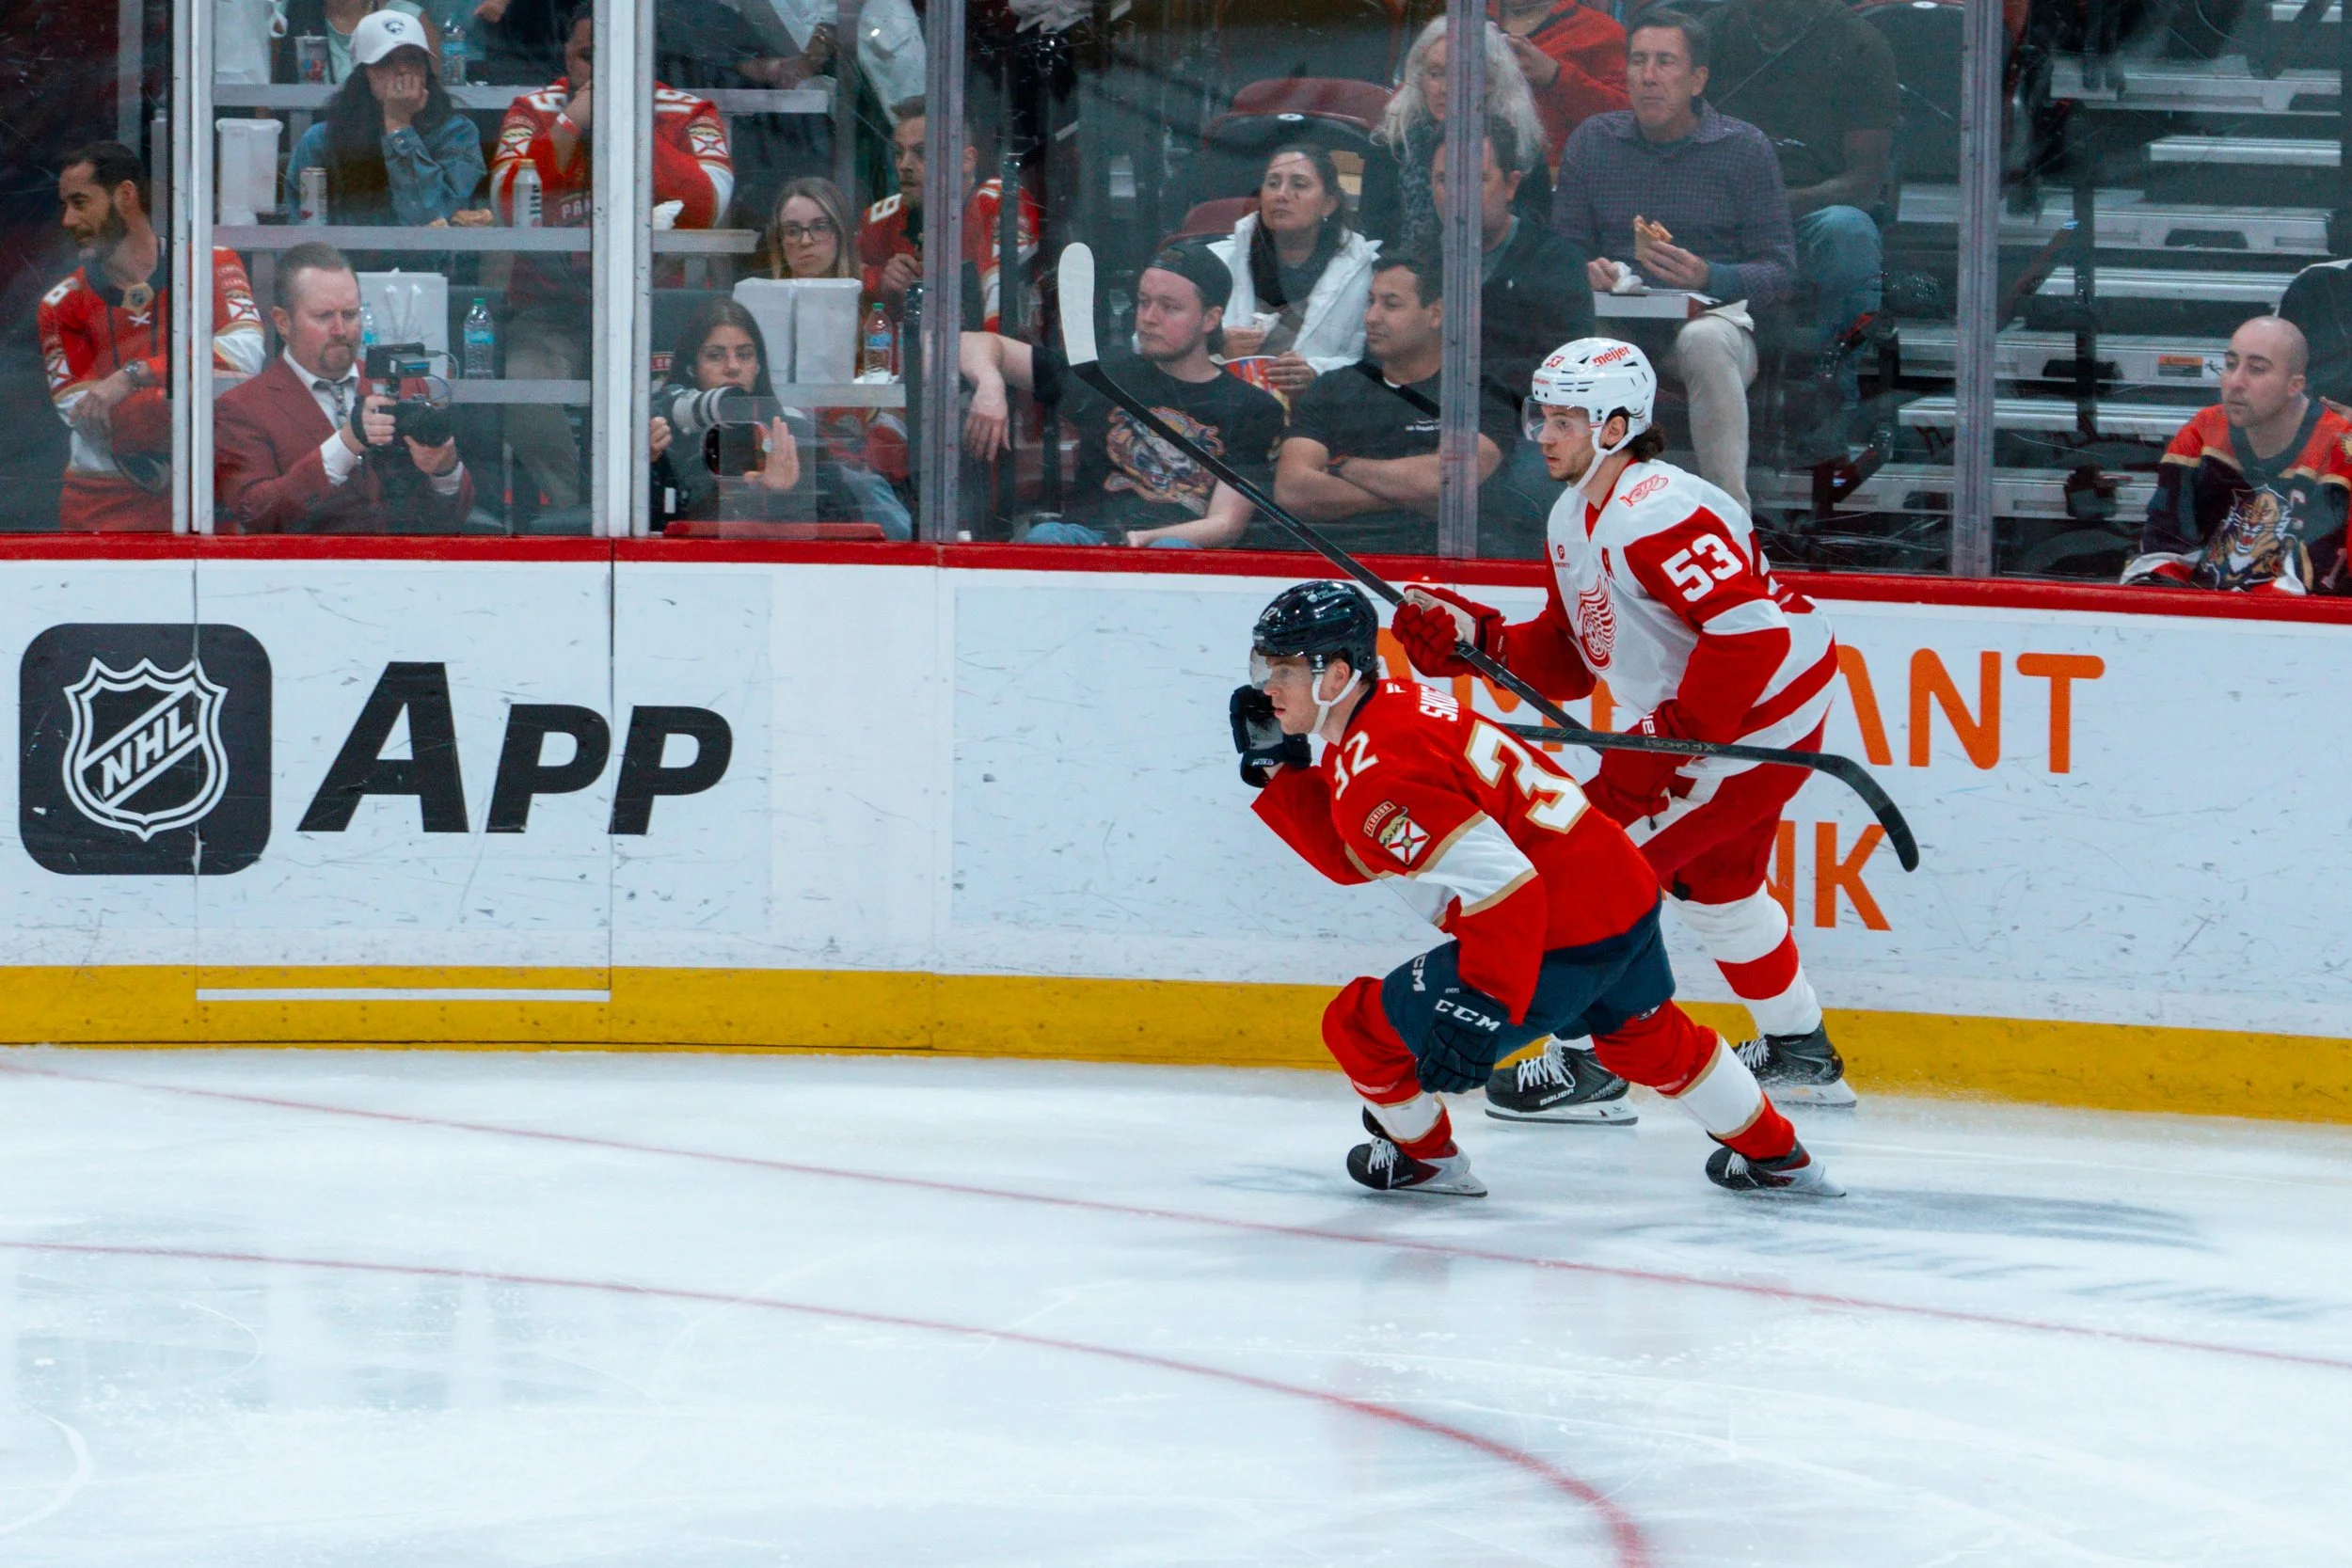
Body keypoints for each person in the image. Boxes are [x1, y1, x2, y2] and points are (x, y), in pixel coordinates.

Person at [1234, 579, 1840, 1196]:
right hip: (1621, 887)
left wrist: (1486, 999)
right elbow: (1359, 850)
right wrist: (1282, 773)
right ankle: (1781, 1156)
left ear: (1335, 677)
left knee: (1356, 1026)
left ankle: (1426, 1159)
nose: (1266, 686)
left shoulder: (1374, 772)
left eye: (1282, 668)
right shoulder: (1390, 708)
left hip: (1556, 925)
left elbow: (1507, 885)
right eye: (1265, 665)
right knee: (1647, 1037)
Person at [1391, 339, 1855, 1116]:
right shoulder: (1575, 514)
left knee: (1573, 875)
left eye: (1563, 419)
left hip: (1752, 727)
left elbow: (1750, 636)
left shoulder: (1660, 511)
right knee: (1718, 885)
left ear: (1614, 427)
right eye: (1543, 415)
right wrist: (1481, 644)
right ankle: (1800, 1050)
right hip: (1727, 722)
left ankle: (1589, 1067)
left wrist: (1668, 750)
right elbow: (1576, 655)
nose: (1542, 433)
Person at [487, 0, 733, 515]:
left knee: (698, 403)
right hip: (549, 314)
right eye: (586, 56)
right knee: (520, 391)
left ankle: (673, 513)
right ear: (565, 55)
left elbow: (708, 204)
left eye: (613, 55)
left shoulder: (689, 112)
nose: (598, 69)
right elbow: (507, 201)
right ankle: (580, 509)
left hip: (657, 315)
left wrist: (630, 122)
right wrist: (572, 123)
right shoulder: (532, 109)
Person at [1554, 9, 1796, 512]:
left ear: (1697, 80)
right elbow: (1560, 252)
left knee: (1704, 340)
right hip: (1615, 322)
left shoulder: (1743, 148)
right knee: (1583, 344)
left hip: (1717, 321)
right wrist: (1585, 269)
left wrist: (1712, 275)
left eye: (1665, 62)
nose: (1648, 76)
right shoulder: (1594, 141)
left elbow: (1780, 270)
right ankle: (1591, 507)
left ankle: (1731, 517)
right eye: (1639, 61)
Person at [959, 241, 1285, 548]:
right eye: (1144, 302)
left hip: (1176, 549)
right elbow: (970, 343)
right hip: (1089, 540)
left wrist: (1141, 541)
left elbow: (1226, 524)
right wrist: (990, 386)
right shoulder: (1101, 375)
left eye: (1170, 307)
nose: (1149, 317)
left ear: (1210, 319)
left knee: (1172, 550)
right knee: (1047, 535)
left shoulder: (1251, 407)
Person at [39, 141, 266, 532]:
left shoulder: (214, 264)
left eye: (80, 203)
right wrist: (193, 395)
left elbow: (243, 364)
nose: (68, 221)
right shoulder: (59, 306)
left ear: (125, 196)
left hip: (206, 503)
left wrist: (133, 376)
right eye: (65, 206)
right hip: (102, 509)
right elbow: (88, 415)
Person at [1705, 0, 1899, 407]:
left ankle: (1832, 394)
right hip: (1720, 210)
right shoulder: (1712, 34)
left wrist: (1775, 206)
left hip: (1813, 211)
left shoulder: (1859, 42)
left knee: (1849, 231)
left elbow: (1865, 181)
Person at [215, 242, 474, 533]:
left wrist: (445, 469)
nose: (341, 330)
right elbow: (253, 512)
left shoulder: (405, 384)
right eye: (324, 316)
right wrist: (346, 445)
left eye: (350, 315)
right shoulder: (243, 407)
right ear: (283, 322)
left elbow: (451, 519)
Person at [1272, 252, 1513, 556]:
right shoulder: (1332, 387)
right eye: (1370, 302)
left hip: (1438, 564)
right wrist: (1415, 498)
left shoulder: (1478, 392)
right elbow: (1293, 489)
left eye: (1391, 304)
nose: (1371, 317)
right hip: (1337, 558)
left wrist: (1342, 466)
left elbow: (1446, 480)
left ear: (1436, 313)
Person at [2126, 316, 2352, 594]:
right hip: (2205, 618)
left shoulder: (2340, 446)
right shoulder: (2203, 433)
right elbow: (2164, 546)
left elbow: (2314, 577)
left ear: (2295, 385)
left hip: (2287, 628)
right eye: (2231, 365)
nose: (2235, 382)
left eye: (2256, 369)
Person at [758, 176, 914, 536]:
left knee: (867, 492)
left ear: (842, 233)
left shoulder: (873, 310)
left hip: (861, 471)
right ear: (780, 241)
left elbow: (892, 412)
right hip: (780, 463)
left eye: (819, 227)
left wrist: (866, 460)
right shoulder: (757, 307)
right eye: (792, 231)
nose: (806, 241)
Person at [1362, 19, 1551, 258]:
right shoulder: (1391, 143)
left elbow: (1537, 240)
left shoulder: (1521, 149)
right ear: (1421, 79)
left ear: (1489, 83)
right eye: (1436, 74)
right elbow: (1376, 242)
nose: (1444, 88)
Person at [287, 11, 491, 228]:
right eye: (385, 61)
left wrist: (399, 125)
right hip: (344, 260)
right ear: (362, 74)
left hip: (428, 262)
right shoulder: (320, 140)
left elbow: (431, 221)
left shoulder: (457, 134)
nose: (403, 69)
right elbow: (303, 234)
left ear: (426, 70)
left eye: (413, 59)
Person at [1209, 144, 1384, 394]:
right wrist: (1214, 345)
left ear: (1329, 204)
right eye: (1272, 183)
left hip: (1323, 417)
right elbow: (1148, 342)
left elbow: (1382, 364)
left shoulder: (1367, 271)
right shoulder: (1217, 260)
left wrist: (1317, 373)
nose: (1281, 194)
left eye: (1299, 185)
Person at [858, 95, 1040, 334]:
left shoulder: (1000, 204)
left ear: (967, 160)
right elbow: (845, 292)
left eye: (921, 153)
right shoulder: (880, 220)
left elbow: (1004, 322)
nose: (904, 165)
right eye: (898, 153)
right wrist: (883, 283)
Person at [647, 296, 812, 527]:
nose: (733, 367)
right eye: (715, 356)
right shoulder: (665, 437)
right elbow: (646, 534)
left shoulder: (791, 434)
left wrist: (777, 495)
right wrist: (647, 463)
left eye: (744, 355)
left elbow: (834, 531)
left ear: (758, 366)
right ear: (691, 368)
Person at [1492, 0, 1629, 170]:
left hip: (1565, 185)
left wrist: (1556, 75)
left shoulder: (1602, 31)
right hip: (1470, 180)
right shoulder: (1464, 23)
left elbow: (1627, 120)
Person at [278, 0, 428, 86]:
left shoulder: (409, 17)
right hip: (304, 130)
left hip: (389, 129)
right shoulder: (284, 14)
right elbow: (265, 97)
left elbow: (432, 93)